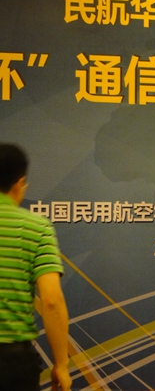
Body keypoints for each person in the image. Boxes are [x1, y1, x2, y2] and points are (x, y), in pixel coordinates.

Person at [0, 143, 71, 391]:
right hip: (13, 363)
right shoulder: (36, 227)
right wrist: (61, 364)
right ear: (19, 183)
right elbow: (51, 300)